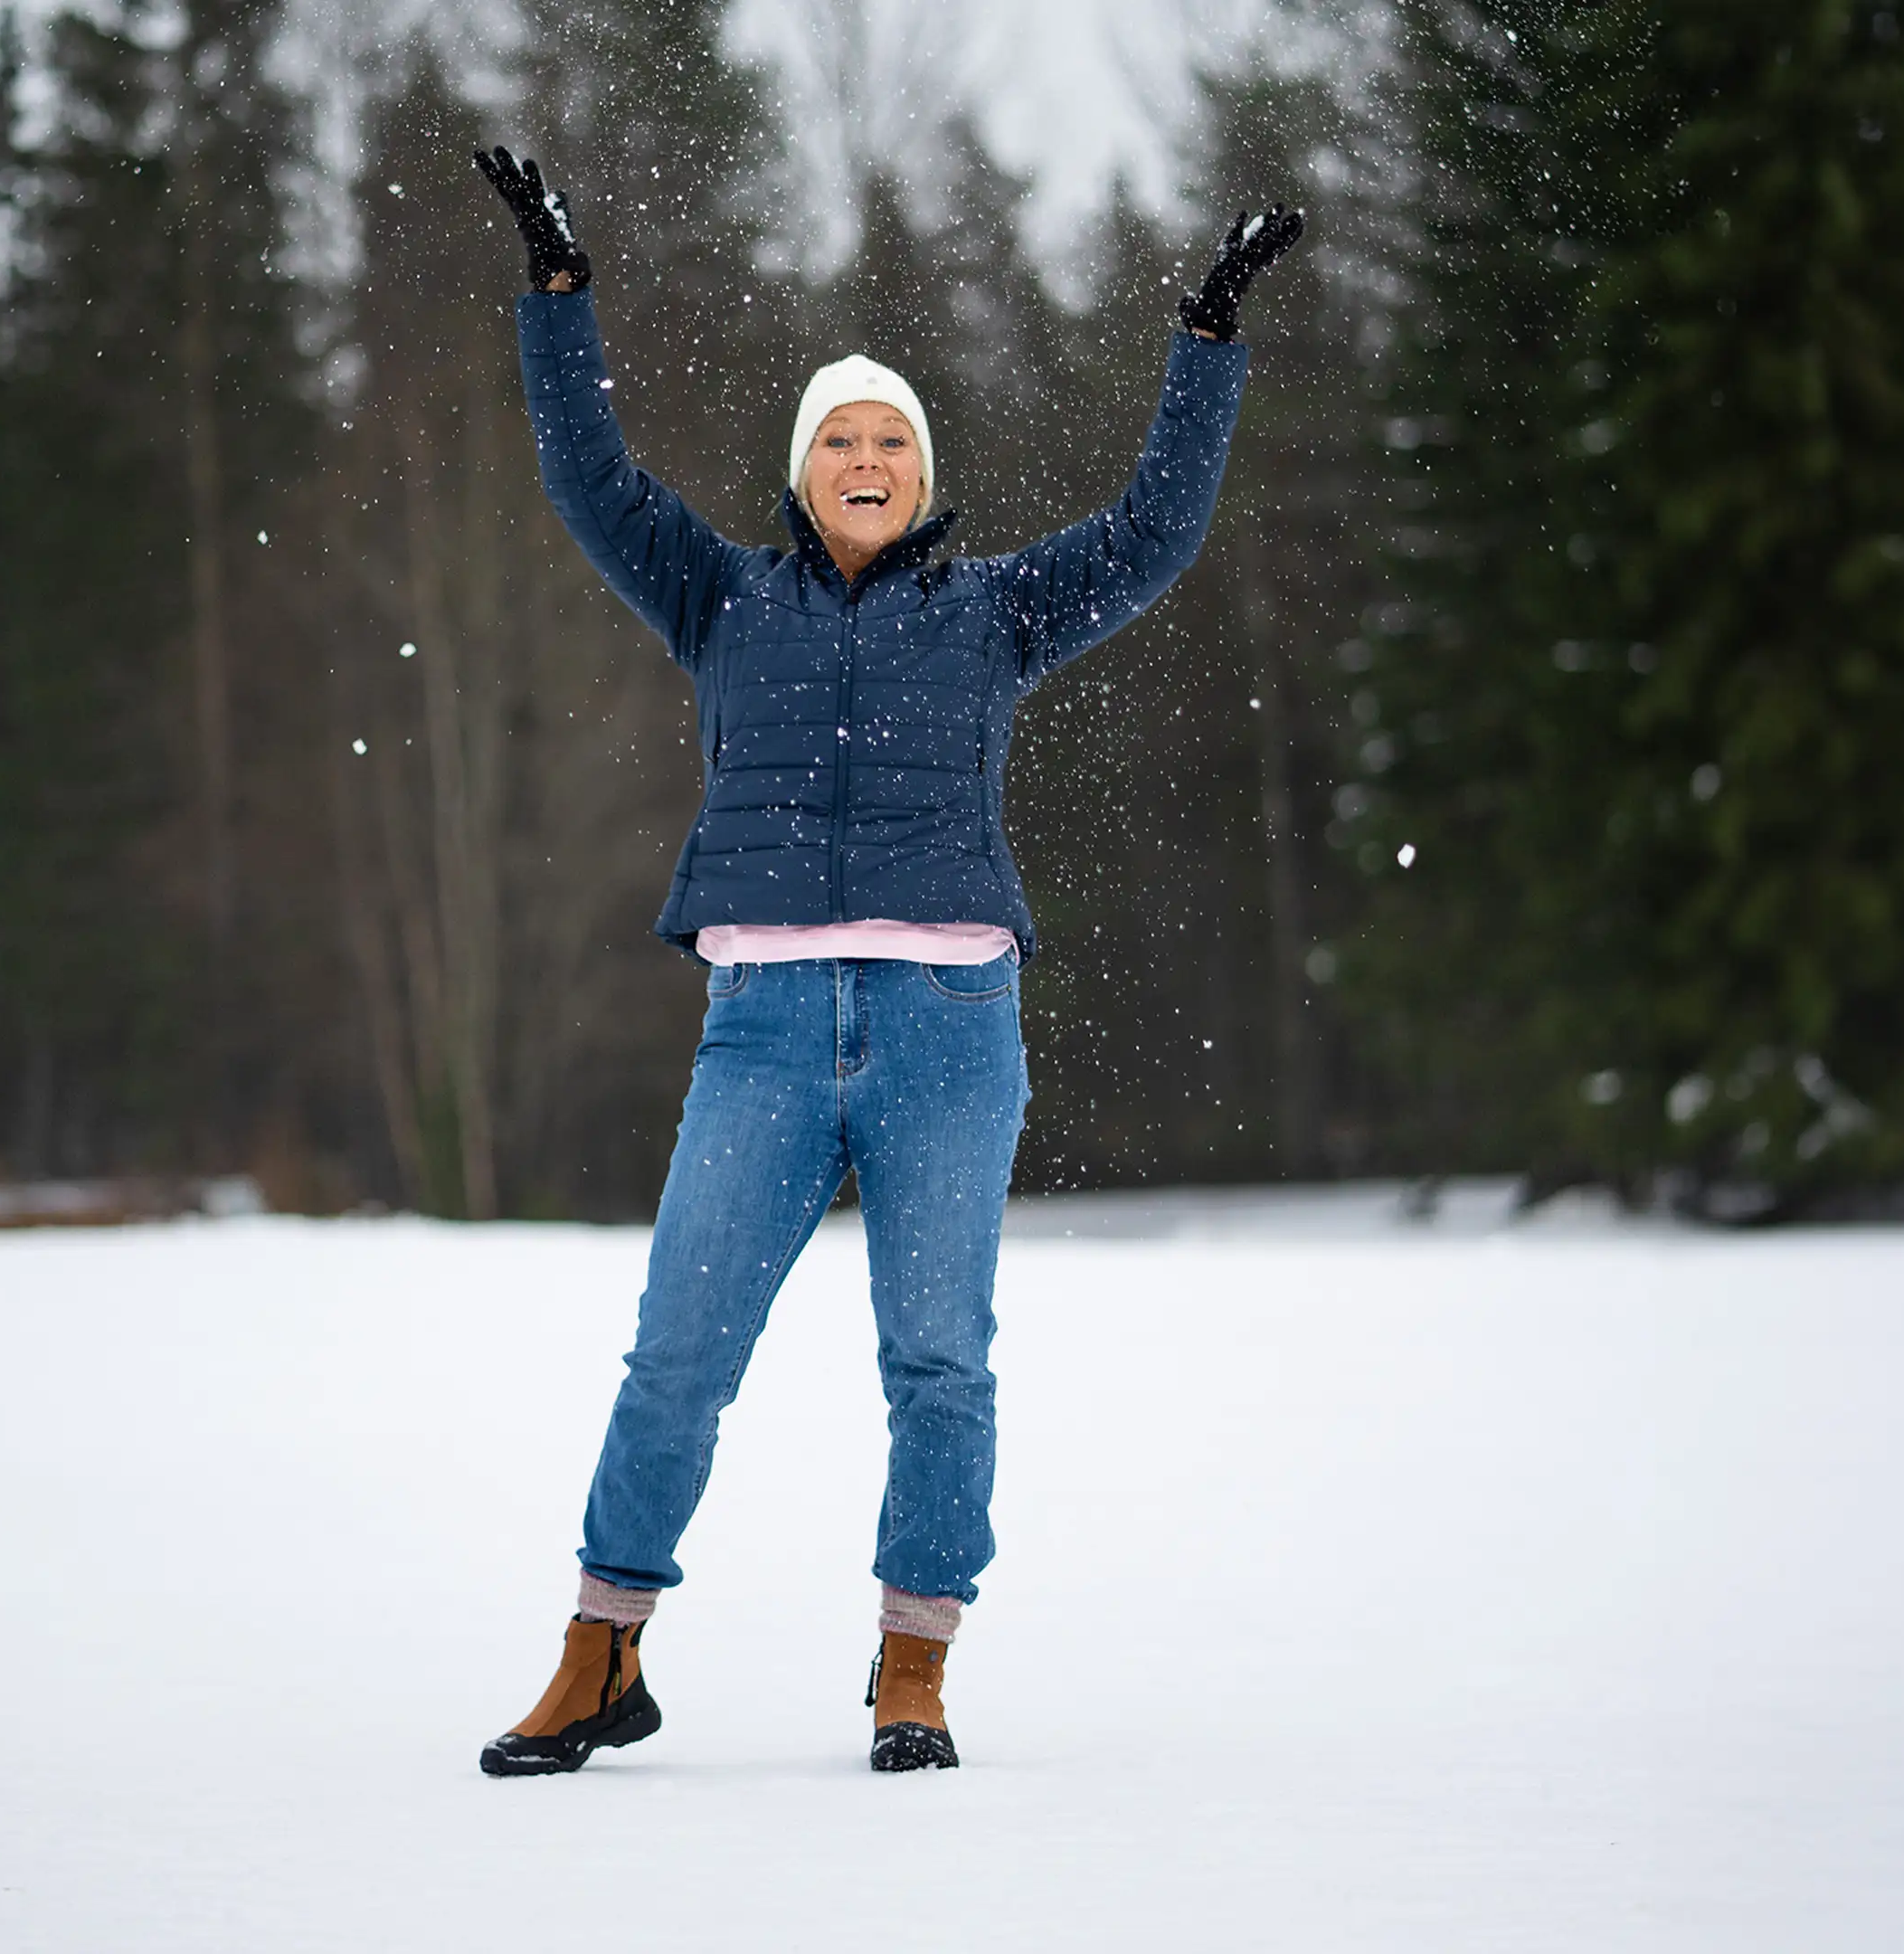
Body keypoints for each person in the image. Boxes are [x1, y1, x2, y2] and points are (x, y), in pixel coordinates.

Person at [468, 145, 1302, 1778]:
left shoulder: (998, 609)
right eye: (841, 438)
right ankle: (599, 1653)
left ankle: (913, 1665)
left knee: (937, 1358)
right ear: (803, 472)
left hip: (947, 1026)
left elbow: (1156, 531)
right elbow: (587, 475)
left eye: (894, 439)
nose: (867, 457)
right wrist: (559, 299)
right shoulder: (719, 597)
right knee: (680, 1351)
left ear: (926, 477)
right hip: (764, 1027)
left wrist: (1206, 344)